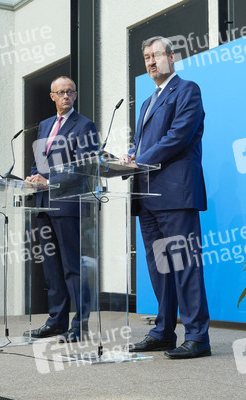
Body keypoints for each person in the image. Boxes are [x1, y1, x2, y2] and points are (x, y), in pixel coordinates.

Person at [125, 36, 210, 359]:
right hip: (146, 197)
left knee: (184, 265)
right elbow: (141, 144)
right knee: (160, 269)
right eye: (146, 57)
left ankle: (197, 336)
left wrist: (140, 158)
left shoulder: (187, 89)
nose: (150, 62)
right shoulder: (147, 103)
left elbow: (179, 136)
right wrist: (130, 155)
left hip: (175, 194)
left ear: (171, 57)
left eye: (156, 55)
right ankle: (163, 332)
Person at [24, 76, 98, 342]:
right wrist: (34, 179)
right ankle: (56, 321)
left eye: (70, 92)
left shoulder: (85, 125)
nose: (66, 96)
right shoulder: (44, 125)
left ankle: (80, 325)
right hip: (43, 205)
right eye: (61, 92)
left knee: (73, 267)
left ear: (75, 95)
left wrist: (50, 182)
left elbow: (84, 167)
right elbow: (38, 162)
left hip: (68, 205)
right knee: (51, 267)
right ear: (52, 96)